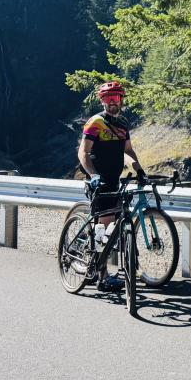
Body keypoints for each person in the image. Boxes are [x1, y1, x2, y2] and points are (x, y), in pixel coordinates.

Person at [77, 81, 144, 292]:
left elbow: (128, 152)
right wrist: (93, 174)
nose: (113, 102)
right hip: (98, 179)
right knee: (104, 226)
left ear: (122, 100)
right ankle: (101, 275)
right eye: (108, 99)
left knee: (111, 224)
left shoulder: (123, 124)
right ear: (102, 101)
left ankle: (96, 257)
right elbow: (83, 153)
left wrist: (140, 170)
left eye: (116, 98)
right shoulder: (95, 122)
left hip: (115, 179)